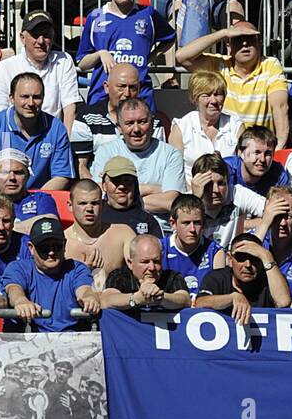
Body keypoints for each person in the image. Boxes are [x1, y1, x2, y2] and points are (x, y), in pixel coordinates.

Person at [75, 0, 173, 111]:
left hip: (140, 97)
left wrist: (150, 58)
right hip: (102, 96)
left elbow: (170, 38)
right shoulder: (96, 17)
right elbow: (82, 63)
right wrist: (100, 54)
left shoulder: (148, 14)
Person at [178, 22, 291, 148]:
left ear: (259, 43)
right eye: (238, 39)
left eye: (250, 39)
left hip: (261, 149)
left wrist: (279, 147)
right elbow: (182, 57)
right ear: (229, 45)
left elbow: (280, 106)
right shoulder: (219, 65)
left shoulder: (270, 64)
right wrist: (223, 33)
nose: (245, 44)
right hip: (227, 147)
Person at [90, 97, 186, 232]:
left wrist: (123, 199)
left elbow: (171, 202)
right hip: (114, 229)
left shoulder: (170, 154)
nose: (136, 129)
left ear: (152, 123)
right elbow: (100, 196)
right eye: (129, 123)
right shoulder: (106, 152)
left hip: (160, 231)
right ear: (119, 127)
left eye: (142, 122)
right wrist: (153, 189)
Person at [3, 217, 101, 332]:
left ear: (64, 245)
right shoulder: (19, 268)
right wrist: (21, 301)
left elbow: (85, 289)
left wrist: (89, 298)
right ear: (31, 248)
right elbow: (13, 289)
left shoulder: (76, 269)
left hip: (74, 338)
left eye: (56, 246)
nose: (51, 252)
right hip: (36, 339)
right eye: (44, 248)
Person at [0, 12, 80, 129]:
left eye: (46, 35)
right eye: (35, 35)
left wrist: (65, 139)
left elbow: (70, 107)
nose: (41, 41)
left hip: (52, 136)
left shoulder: (64, 60)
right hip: (14, 136)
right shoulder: (4, 68)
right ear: (22, 38)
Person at [0, 73, 73, 192]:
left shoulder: (56, 128)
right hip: (0, 197)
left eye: (36, 97)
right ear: (11, 98)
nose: (31, 103)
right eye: (24, 96)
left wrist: (34, 199)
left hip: (40, 197)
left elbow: (62, 176)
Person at [193, 232, 292, 322]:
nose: (248, 264)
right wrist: (232, 298)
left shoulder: (269, 279)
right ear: (230, 260)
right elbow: (199, 303)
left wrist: (267, 256)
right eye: (241, 258)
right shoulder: (217, 278)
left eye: (254, 258)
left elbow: (283, 302)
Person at [0, 152, 57, 237]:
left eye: (18, 173)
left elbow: (50, 225)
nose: (12, 178)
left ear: (27, 176)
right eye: (5, 172)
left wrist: (0, 228)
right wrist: (31, 226)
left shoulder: (41, 198)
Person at [62, 179, 134, 288]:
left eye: (95, 203)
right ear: (70, 206)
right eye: (83, 203)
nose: (89, 209)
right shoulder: (62, 242)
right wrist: (82, 273)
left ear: (103, 205)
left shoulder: (123, 234)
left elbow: (140, 267)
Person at [169, 70, 242, 173]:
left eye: (218, 94)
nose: (213, 101)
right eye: (206, 95)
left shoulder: (235, 126)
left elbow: (242, 168)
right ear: (195, 99)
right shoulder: (181, 128)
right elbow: (174, 171)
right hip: (190, 183)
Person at [191, 154, 265, 249]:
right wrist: (196, 199)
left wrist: (250, 225)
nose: (216, 190)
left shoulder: (236, 193)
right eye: (209, 184)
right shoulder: (185, 203)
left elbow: (272, 209)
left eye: (221, 183)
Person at [101, 233, 192, 311]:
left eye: (156, 261)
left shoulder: (172, 277)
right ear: (130, 263)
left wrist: (161, 298)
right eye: (145, 262)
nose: (152, 268)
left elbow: (185, 300)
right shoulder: (119, 276)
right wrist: (136, 298)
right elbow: (106, 300)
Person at [161, 194, 222, 292]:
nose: (192, 229)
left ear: (203, 223)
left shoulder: (214, 252)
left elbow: (219, 291)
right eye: (186, 223)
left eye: (197, 223)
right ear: (173, 224)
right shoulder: (161, 249)